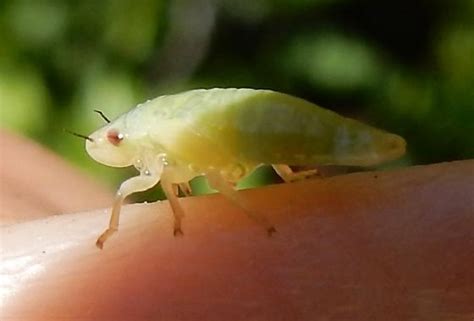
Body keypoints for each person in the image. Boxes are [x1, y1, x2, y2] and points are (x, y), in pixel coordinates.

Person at [1, 130, 473, 320]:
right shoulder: (156, 154)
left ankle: (274, 194)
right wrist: (180, 211)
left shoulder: (159, 147)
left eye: (115, 137)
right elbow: (172, 178)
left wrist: (253, 217)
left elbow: (186, 174)